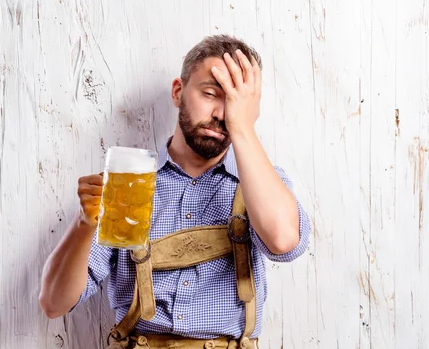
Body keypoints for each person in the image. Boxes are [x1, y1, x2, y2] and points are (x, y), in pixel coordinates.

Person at [39, 35, 311, 348]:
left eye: (235, 103)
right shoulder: (130, 185)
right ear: (178, 92)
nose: (221, 114)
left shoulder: (263, 184)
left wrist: (243, 129)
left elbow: (283, 243)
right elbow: (54, 304)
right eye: (211, 93)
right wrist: (84, 225)